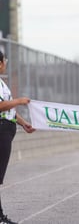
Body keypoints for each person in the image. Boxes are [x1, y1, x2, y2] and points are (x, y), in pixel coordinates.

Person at [0, 51, 35, 224]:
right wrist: (19, 101)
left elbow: (8, 110)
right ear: (0, 63)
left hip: (6, 129)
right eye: (4, 61)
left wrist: (22, 123)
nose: (5, 64)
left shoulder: (2, 83)